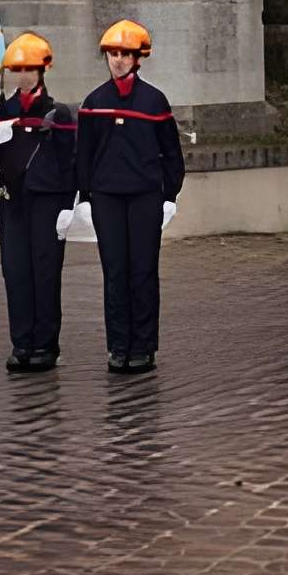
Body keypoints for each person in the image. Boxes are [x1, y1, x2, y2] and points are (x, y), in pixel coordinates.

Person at [76, 20, 184, 374]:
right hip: (107, 198)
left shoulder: (154, 101)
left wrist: (169, 196)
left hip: (145, 198)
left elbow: (171, 153)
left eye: (125, 54)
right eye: (113, 53)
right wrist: (85, 196)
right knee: (115, 272)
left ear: (138, 58)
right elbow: (84, 154)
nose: (118, 60)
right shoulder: (94, 103)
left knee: (143, 271)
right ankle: (118, 346)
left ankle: (143, 347)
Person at [0, 33, 78, 371]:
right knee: (15, 273)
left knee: (45, 273)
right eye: (17, 70)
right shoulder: (4, 110)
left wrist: (69, 204)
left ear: (42, 71)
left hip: (47, 202)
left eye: (29, 69)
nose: (23, 76)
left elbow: (70, 162)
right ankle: (22, 342)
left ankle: (45, 344)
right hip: (14, 201)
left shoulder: (57, 113)